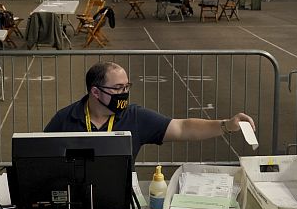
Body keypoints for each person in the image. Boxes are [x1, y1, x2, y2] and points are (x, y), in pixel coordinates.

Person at [44, 62, 256, 159]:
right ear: (96, 92)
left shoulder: (134, 117)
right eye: (118, 88)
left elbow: (182, 128)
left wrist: (226, 125)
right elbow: (40, 157)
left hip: (121, 195)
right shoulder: (64, 119)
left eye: (127, 87)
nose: (124, 93)